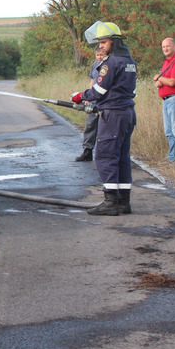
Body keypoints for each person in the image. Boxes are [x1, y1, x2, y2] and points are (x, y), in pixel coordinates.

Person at [71, 22, 137, 216]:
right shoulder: (130, 61)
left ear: (114, 42)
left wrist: (80, 96)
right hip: (127, 112)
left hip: (113, 115)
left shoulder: (111, 63)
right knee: (122, 157)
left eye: (104, 42)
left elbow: (99, 90)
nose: (101, 46)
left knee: (105, 156)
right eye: (99, 42)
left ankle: (110, 202)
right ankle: (124, 202)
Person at [154, 37, 175, 161]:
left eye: (168, 46)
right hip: (167, 100)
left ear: (174, 46)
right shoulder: (166, 62)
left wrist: (159, 78)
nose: (165, 49)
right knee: (169, 131)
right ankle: (172, 157)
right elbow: (165, 80)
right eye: (163, 47)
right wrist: (159, 82)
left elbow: (173, 82)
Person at [75, 46, 105, 162]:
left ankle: (103, 153)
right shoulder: (95, 65)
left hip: (103, 101)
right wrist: (88, 97)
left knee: (104, 128)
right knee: (90, 125)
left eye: (101, 55)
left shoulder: (109, 66)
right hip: (93, 100)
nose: (99, 57)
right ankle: (87, 151)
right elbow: (92, 81)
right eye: (97, 55)